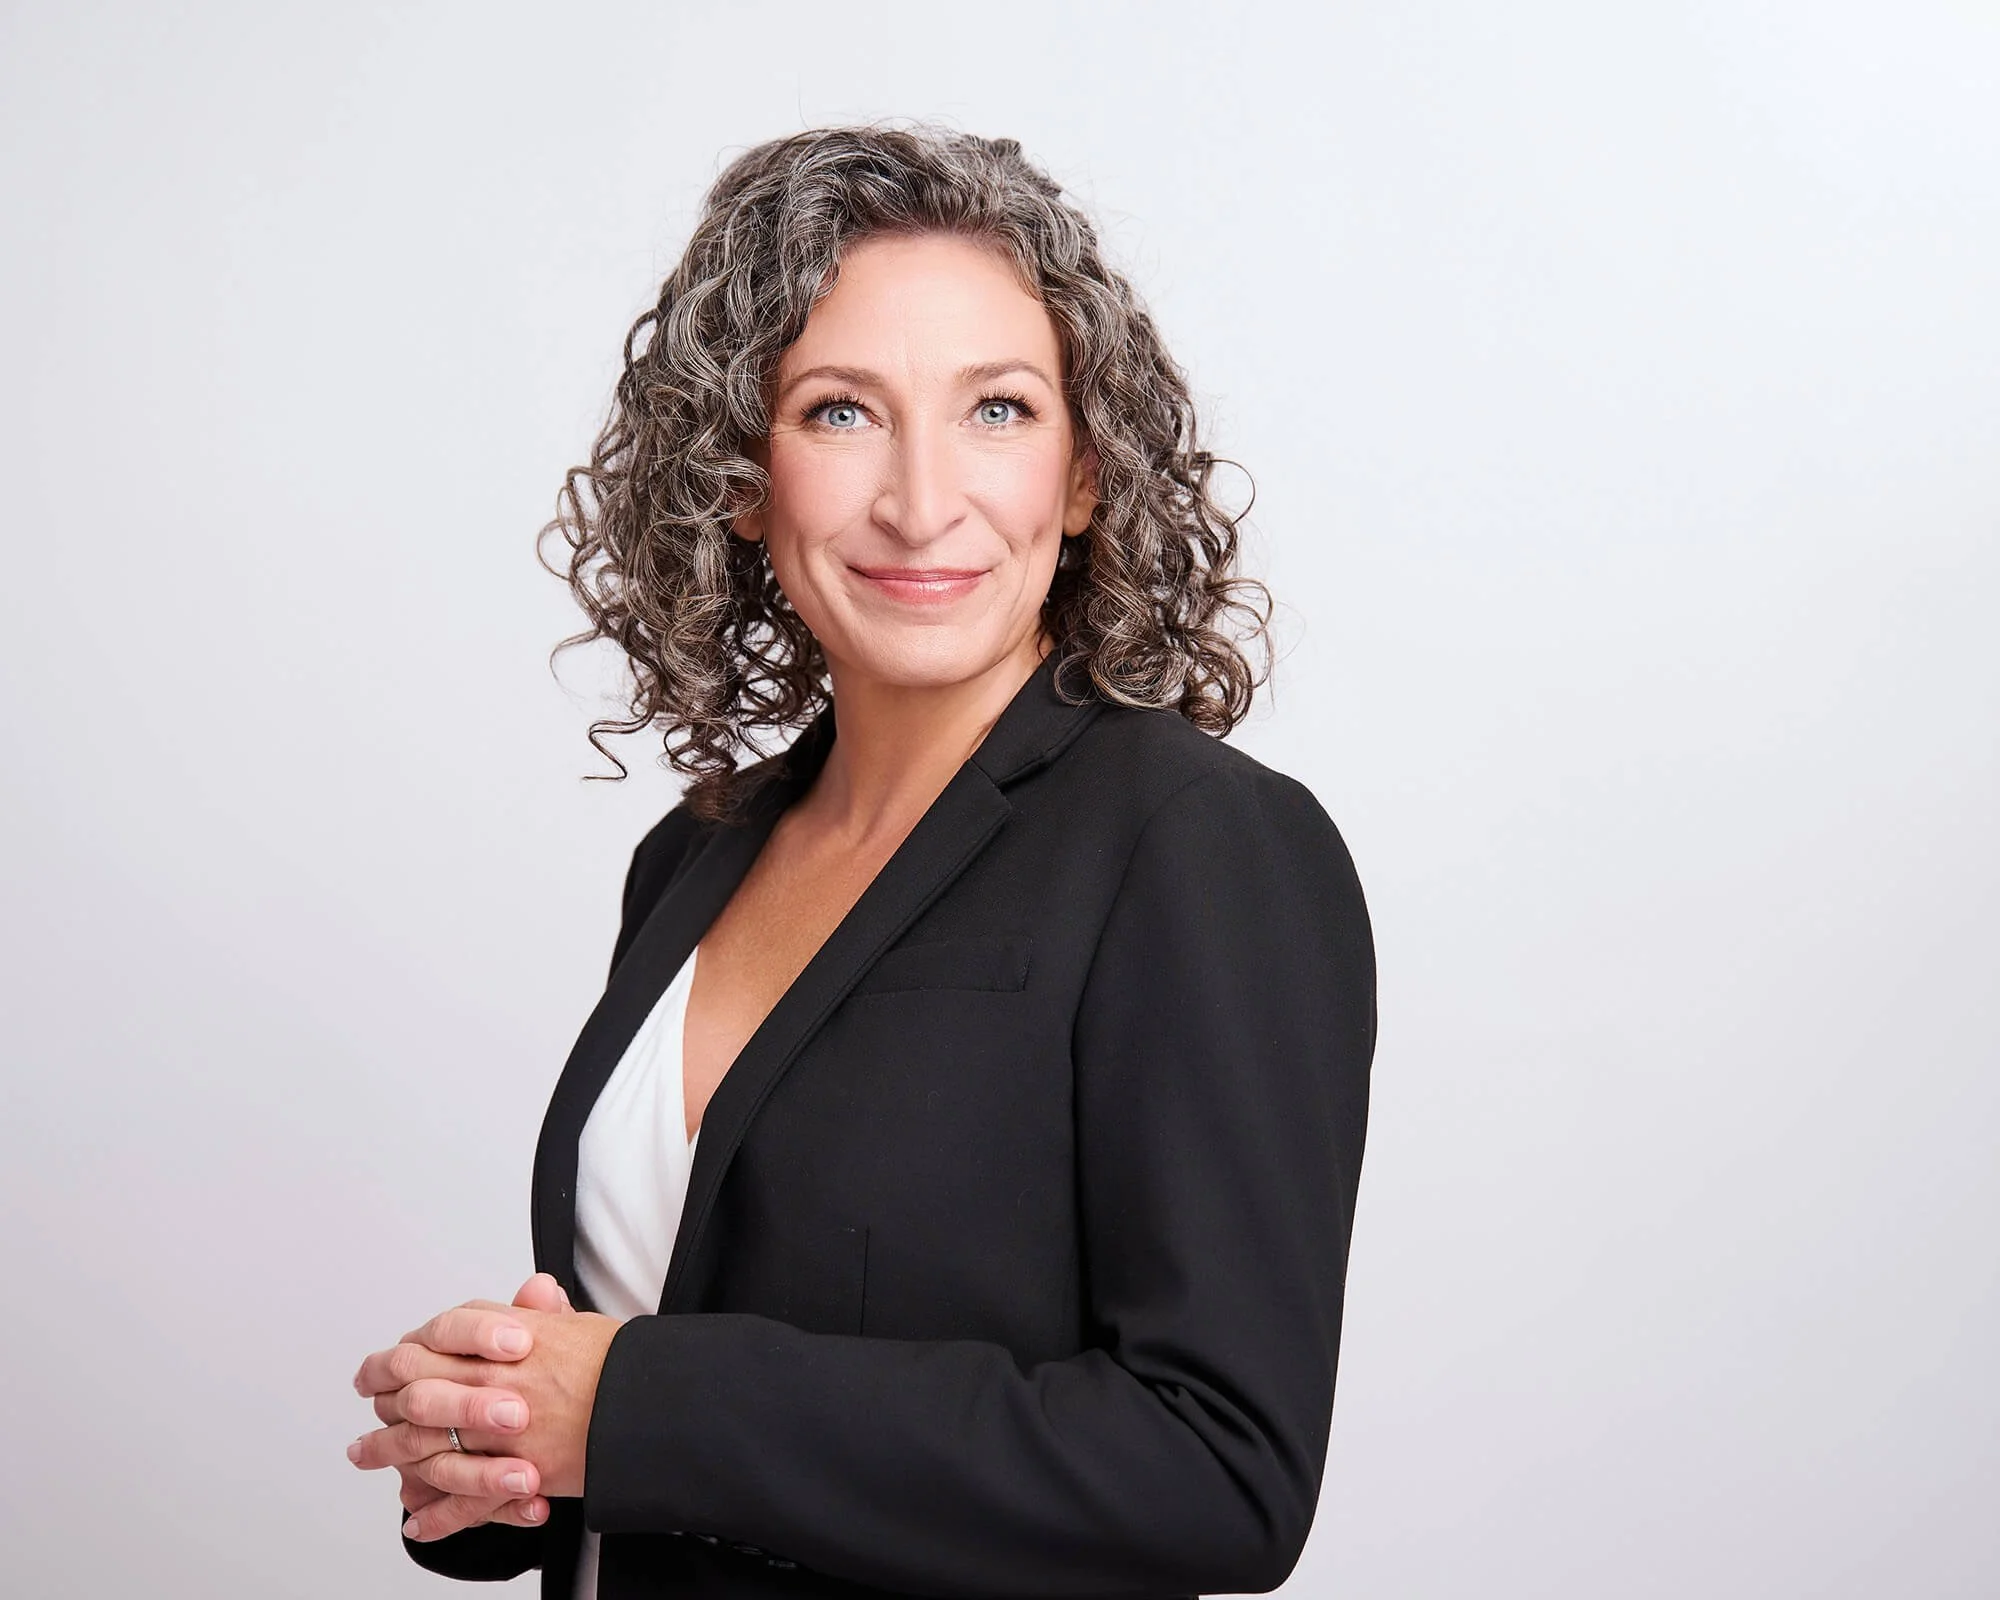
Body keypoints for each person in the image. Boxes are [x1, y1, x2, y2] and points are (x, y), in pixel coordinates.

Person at [346, 122, 1375, 1600]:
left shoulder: (1196, 843)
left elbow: (1218, 1470)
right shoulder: (698, 856)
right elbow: (680, 1338)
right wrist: (508, 1438)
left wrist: (632, 1408)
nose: (919, 500)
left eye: (999, 410)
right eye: (839, 413)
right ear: (741, 481)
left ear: (1087, 476)